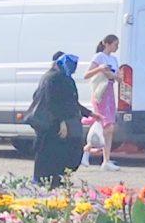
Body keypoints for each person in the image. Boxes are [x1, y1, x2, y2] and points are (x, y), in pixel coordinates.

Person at [25, 52, 85, 185]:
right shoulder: (53, 78)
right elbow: (52, 101)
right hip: (49, 121)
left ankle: (55, 179)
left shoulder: (63, 77)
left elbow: (71, 101)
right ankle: (43, 180)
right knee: (47, 152)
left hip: (54, 120)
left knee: (59, 152)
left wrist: (88, 113)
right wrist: (61, 121)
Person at [80, 33, 121, 168]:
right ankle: (87, 151)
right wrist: (100, 69)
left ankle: (106, 160)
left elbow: (117, 77)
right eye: (115, 44)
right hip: (100, 92)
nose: (117, 47)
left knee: (110, 127)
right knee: (105, 125)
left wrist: (115, 76)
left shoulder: (114, 59)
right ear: (107, 44)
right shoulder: (99, 57)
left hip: (109, 91)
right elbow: (87, 75)